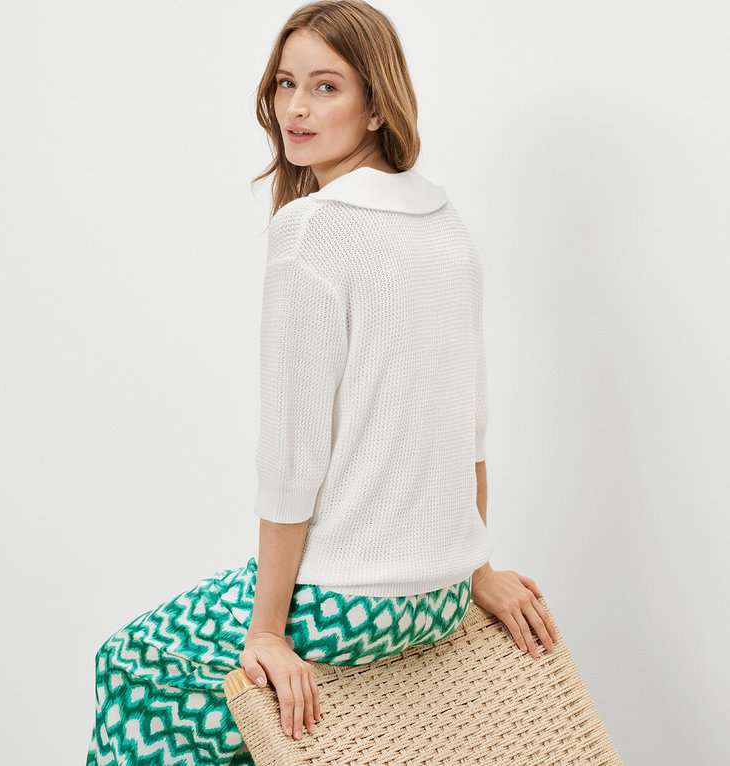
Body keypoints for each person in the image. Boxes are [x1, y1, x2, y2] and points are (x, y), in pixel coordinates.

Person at [85, 2, 558, 764]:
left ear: (377, 105)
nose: (297, 110)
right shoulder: (444, 219)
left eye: (326, 87)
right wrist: (475, 569)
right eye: (285, 84)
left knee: (133, 662)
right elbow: (466, 421)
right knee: (246, 729)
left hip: (348, 604)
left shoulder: (313, 226)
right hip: (435, 597)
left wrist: (267, 629)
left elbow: (292, 455)